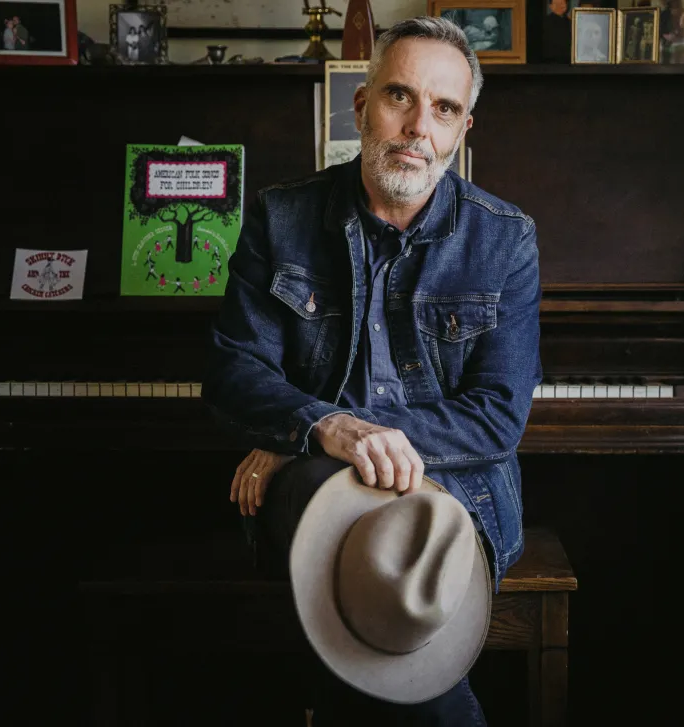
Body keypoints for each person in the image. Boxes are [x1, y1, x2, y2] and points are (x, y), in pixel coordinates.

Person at [203, 15, 541, 725]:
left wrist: (317, 427)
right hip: (314, 483)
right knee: (347, 547)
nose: (419, 125)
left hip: (455, 492)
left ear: (463, 128)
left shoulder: (505, 238)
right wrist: (321, 427)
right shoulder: (280, 218)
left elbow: (497, 417)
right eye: (400, 97)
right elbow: (233, 371)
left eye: (444, 108)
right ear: (361, 106)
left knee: (375, 581)